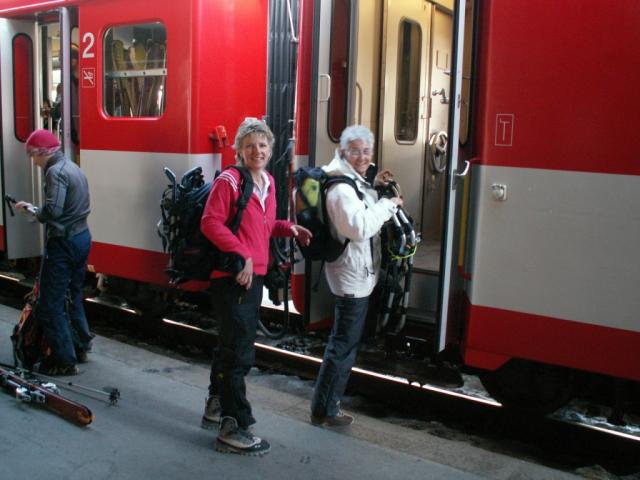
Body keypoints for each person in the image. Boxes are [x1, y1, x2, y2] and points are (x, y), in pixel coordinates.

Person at [200, 118, 312, 456]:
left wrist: (287, 228)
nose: (257, 151)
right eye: (249, 145)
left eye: (262, 145)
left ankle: (216, 405)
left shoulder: (268, 182)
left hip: (253, 275)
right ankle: (233, 426)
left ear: (270, 149)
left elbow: (263, 225)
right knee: (239, 353)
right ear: (239, 150)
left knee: (229, 345)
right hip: (232, 277)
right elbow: (210, 222)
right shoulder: (229, 181)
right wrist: (242, 253)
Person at [310, 125, 402, 427]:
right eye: (355, 151)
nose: (363, 157)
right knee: (342, 347)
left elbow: (359, 203)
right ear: (343, 151)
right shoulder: (340, 188)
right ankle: (324, 410)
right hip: (351, 276)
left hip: (357, 272)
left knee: (344, 344)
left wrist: (374, 184)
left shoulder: (349, 178)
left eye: (367, 151)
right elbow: (359, 227)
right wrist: (387, 205)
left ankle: (326, 406)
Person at [15, 129, 92, 376]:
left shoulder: (55, 172)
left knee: (50, 304)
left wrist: (32, 210)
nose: (33, 161)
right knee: (73, 294)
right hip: (82, 237)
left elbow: (53, 212)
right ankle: (81, 346)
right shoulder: (72, 167)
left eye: (32, 155)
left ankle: (64, 360)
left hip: (63, 243)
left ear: (41, 152)